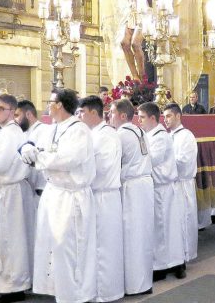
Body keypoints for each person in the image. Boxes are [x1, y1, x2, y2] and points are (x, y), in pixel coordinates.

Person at [20, 88, 97, 303]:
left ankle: (75, 295)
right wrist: (28, 147)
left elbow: (68, 159)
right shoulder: (52, 128)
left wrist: (38, 158)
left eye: (50, 101)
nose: (47, 105)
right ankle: (58, 291)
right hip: (53, 194)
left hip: (71, 196)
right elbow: (34, 144)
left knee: (68, 246)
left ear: (60, 105)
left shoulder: (79, 130)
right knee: (50, 244)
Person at [79, 96, 125, 302]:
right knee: (96, 244)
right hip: (97, 194)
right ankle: (95, 290)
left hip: (103, 195)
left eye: (82, 112)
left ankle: (104, 292)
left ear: (93, 113)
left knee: (103, 247)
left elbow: (100, 168)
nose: (79, 116)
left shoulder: (105, 135)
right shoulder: (94, 134)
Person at [0, 93, 34, 303]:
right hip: (4, 190)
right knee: (1, 240)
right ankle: (3, 284)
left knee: (10, 240)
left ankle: (14, 286)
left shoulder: (10, 133)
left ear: (11, 112)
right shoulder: (5, 132)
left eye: (0, 109)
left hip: (10, 192)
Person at [108, 99, 155, 295]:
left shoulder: (120, 135)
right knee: (142, 235)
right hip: (144, 185)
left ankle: (133, 285)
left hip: (132, 187)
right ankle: (143, 282)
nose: (108, 116)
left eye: (111, 112)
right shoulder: (139, 130)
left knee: (131, 236)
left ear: (123, 116)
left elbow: (113, 164)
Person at [138, 102, 186, 281]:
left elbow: (152, 159)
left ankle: (166, 265)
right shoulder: (149, 134)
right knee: (162, 228)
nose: (139, 121)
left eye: (142, 117)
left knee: (164, 228)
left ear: (152, 118)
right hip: (157, 187)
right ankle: (168, 263)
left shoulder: (159, 136)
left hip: (163, 187)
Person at [163, 103, 199, 263]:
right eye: (163, 117)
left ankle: (185, 256)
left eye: (169, 116)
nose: (165, 120)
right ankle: (174, 256)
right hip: (171, 184)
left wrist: (164, 165)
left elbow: (184, 162)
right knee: (173, 223)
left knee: (184, 220)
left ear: (178, 116)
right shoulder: (167, 136)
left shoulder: (187, 136)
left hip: (183, 184)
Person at [15, 100, 50, 203]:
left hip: (41, 191)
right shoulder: (22, 133)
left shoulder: (45, 131)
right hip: (27, 190)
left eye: (17, 115)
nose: (14, 120)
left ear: (28, 114)